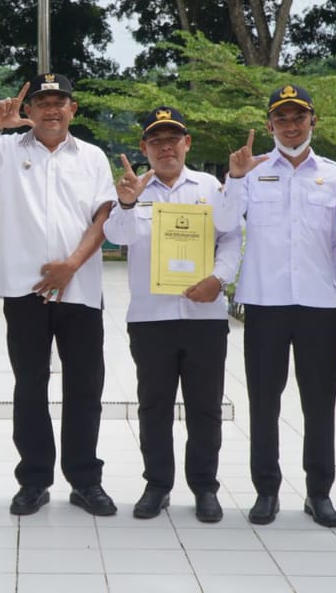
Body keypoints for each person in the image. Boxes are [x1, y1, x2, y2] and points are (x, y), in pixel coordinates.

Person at [0, 73, 118, 517]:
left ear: (73, 109)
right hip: (24, 290)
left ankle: (86, 480)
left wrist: (71, 265)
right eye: (42, 102)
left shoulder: (92, 156)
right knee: (30, 387)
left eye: (59, 102)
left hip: (80, 288)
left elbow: (104, 216)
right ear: (28, 111)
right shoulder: (6, 150)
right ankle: (33, 481)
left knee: (85, 387)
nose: (51, 109)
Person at [217, 84, 336, 528]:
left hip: (318, 305)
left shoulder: (334, 176)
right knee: (263, 401)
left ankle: (319, 493)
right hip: (265, 305)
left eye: (299, 117)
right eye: (282, 117)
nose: (290, 125)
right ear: (270, 123)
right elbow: (223, 223)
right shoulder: (251, 172)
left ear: (313, 120)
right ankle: (267, 490)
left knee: (320, 402)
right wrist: (235, 177)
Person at [102, 107, 242, 522]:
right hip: (151, 317)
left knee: (205, 408)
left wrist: (218, 279)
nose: (166, 147)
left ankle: (205, 488)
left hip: (204, 317)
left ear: (187, 143)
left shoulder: (211, 187)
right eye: (156, 141)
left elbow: (232, 236)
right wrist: (126, 203)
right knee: (154, 406)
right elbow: (115, 236)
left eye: (173, 139)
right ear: (144, 147)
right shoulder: (133, 188)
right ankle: (157, 485)